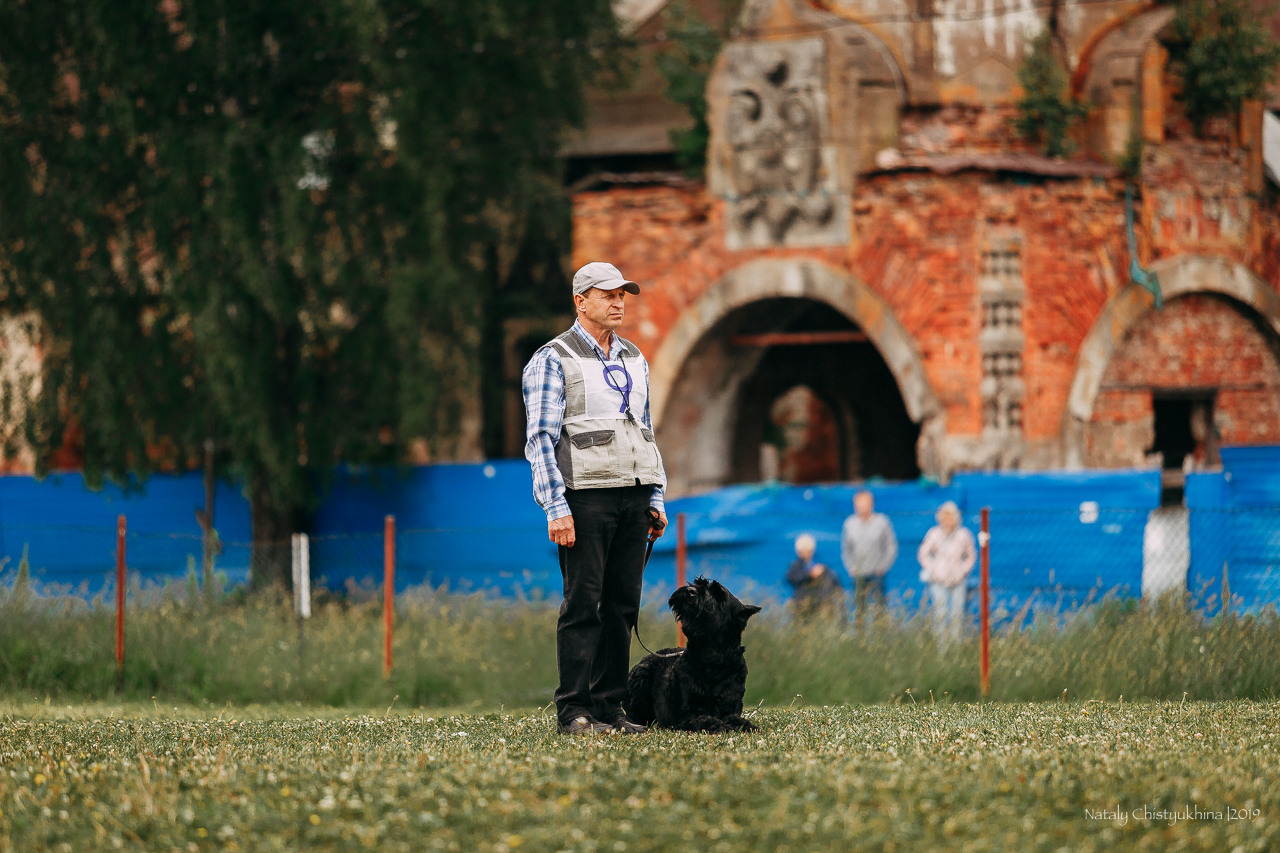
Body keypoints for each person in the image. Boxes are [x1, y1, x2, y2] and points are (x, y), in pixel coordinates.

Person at [522, 261, 668, 737]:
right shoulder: (551, 359)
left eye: (623, 294)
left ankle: (610, 709)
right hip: (584, 498)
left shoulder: (634, 358)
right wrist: (556, 507)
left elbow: (644, 430)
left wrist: (657, 495)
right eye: (607, 295)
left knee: (623, 604)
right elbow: (540, 439)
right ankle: (574, 713)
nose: (619, 302)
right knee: (584, 604)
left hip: (633, 493)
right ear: (580, 301)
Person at [917, 501, 976, 646]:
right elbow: (923, 554)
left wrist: (962, 571)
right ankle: (941, 649)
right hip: (938, 580)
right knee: (940, 614)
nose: (947, 520)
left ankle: (956, 649)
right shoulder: (934, 534)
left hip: (958, 580)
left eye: (950, 517)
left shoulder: (964, 535)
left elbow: (971, 556)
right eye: (944, 517)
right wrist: (934, 569)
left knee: (957, 615)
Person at [840, 490, 898, 624]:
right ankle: (860, 639)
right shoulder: (849, 524)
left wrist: (883, 566)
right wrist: (851, 567)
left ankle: (880, 637)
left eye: (865, 504)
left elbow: (890, 546)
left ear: (872, 504)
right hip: (858, 575)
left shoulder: (882, 522)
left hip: (876, 573)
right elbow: (846, 549)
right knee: (859, 610)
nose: (862, 507)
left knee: (879, 608)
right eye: (859, 504)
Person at [785, 533, 845, 618]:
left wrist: (838, 593)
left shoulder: (819, 564)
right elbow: (791, 578)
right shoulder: (796, 565)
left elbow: (834, 579)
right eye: (803, 551)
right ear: (798, 552)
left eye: (808, 550)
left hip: (819, 601)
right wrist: (809, 575)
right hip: (802, 602)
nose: (806, 553)